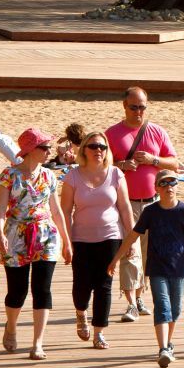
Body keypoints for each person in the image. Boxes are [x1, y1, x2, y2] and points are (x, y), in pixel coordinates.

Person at [107, 170, 184, 368]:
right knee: (163, 306)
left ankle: (168, 344)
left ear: (177, 186)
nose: (169, 187)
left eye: (172, 183)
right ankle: (163, 349)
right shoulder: (151, 211)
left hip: (179, 268)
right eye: (164, 184)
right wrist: (115, 259)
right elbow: (133, 235)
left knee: (175, 310)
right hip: (157, 268)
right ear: (157, 188)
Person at [0, 127, 72, 359]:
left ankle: (38, 343)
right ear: (30, 149)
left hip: (45, 235)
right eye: (44, 147)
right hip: (16, 235)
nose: (49, 151)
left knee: (42, 289)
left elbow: (56, 211)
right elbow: (0, 211)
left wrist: (67, 241)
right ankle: (11, 326)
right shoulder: (9, 175)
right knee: (17, 290)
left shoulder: (49, 176)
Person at [106, 86, 181, 322]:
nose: (138, 112)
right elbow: (102, 167)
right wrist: (121, 165)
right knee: (130, 252)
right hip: (126, 203)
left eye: (142, 107)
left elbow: (175, 164)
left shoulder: (156, 132)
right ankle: (130, 303)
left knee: (149, 253)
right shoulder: (112, 133)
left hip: (154, 203)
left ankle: (139, 297)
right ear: (124, 106)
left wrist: (153, 160)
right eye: (134, 107)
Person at [61, 131, 133, 349]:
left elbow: (125, 207)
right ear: (84, 149)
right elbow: (64, 211)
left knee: (104, 285)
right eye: (93, 146)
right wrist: (66, 241)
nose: (98, 151)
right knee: (82, 285)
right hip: (81, 238)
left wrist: (131, 238)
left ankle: (99, 332)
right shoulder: (73, 176)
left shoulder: (115, 174)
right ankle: (81, 312)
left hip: (110, 236)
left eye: (102, 147)